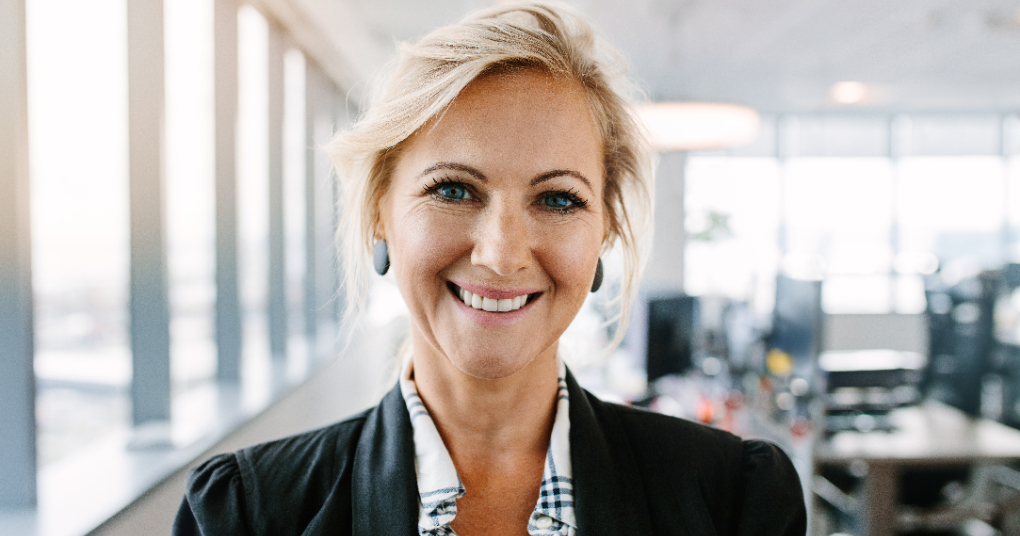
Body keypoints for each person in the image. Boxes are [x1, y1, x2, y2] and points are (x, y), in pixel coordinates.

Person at [172, 3, 807, 535]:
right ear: (378, 212)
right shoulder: (247, 515)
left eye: (558, 199)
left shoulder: (732, 500)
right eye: (453, 189)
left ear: (604, 229)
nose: (502, 254)